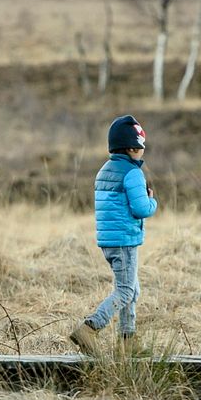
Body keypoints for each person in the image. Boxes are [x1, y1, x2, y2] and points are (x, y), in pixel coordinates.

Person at [69, 115, 158, 356]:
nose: (142, 152)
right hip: (125, 241)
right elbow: (140, 208)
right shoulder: (132, 174)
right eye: (141, 147)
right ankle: (90, 327)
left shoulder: (104, 171)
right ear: (131, 148)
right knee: (126, 291)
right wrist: (152, 201)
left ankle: (127, 342)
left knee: (131, 288)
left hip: (108, 241)